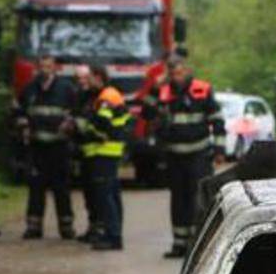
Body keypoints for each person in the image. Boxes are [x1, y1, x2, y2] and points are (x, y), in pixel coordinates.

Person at [144, 50, 221, 258]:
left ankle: (197, 244)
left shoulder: (201, 89)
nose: (175, 77)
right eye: (172, 74)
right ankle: (179, 243)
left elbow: (217, 119)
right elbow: (147, 114)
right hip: (174, 156)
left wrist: (219, 150)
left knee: (198, 199)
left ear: (186, 71)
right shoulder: (163, 91)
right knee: (178, 200)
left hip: (199, 155)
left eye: (178, 73)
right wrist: (154, 89)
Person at [16, 55, 77, 239]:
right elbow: (18, 112)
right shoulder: (29, 89)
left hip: (59, 146)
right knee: (36, 187)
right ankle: (34, 227)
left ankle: (66, 227)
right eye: (42, 66)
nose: (45, 69)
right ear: (37, 68)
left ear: (55, 68)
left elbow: (76, 111)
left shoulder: (66, 88)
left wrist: (69, 124)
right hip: (37, 147)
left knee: (62, 188)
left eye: (48, 66)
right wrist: (24, 127)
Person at [75, 66, 131, 251]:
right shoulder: (107, 94)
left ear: (98, 77)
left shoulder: (106, 97)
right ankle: (113, 234)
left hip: (104, 151)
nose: (86, 81)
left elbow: (101, 124)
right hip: (107, 152)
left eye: (89, 78)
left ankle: (113, 236)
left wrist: (85, 127)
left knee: (106, 196)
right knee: (111, 194)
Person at [70, 64, 103, 242]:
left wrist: (78, 125)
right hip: (83, 150)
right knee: (89, 193)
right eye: (80, 79)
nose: (83, 82)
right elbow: (76, 116)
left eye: (86, 78)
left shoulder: (100, 97)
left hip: (98, 152)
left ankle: (100, 229)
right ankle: (93, 227)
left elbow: (95, 123)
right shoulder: (80, 97)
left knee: (99, 193)